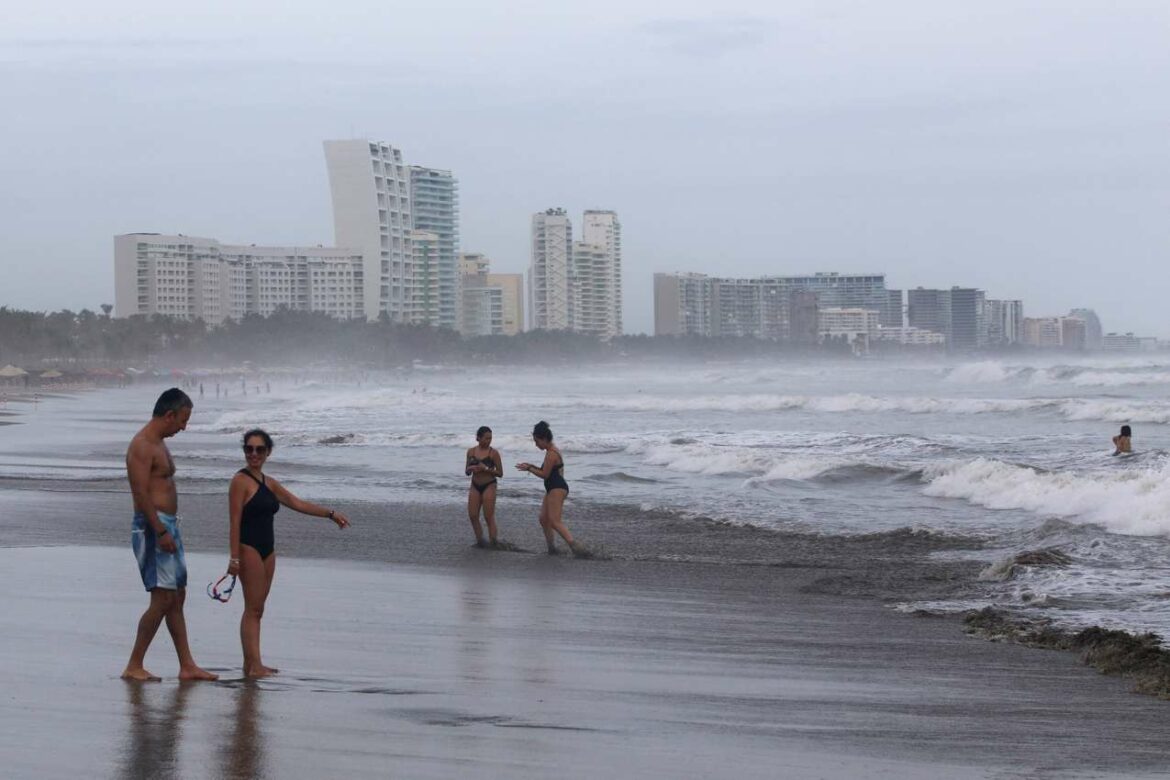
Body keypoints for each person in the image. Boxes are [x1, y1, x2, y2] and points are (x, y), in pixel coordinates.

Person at [227, 428, 351, 677]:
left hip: (268, 550)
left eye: (259, 449)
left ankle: (252, 663)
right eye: (249, 449)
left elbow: (298, 504)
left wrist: (329, 514)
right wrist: (234, 557)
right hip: (248, 547)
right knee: (252, 608)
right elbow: (234, 521)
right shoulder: (239, 481)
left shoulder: (269, 483)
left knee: (259, 608)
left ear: (268, 452)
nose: (253, 454)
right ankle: (254, 665)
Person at [122, 388, 217, 682]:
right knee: (162, 598)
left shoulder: (160, 443)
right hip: (152, 527)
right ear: (169, 415)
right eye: (183, 420)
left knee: (177, 596)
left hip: (168, 524)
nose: (184, 427)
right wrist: (160, 529)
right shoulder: (142, 445)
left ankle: (187, 665)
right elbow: (140, 492)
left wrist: (168, 527)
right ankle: (134, 665)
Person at [516, 420, 580, 555]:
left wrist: (529, 468)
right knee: (543, 519)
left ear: (544, 438)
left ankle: (576, 548)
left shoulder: (552, 453)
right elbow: (547, 471)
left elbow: (544, 474)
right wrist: (530, 466)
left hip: (557, 488)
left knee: (555, 521)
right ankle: (552, 548)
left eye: (537, 441)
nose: (536, 444)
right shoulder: (550, 450)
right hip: (552, 488)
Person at [465, 426, 503, 547]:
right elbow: (466, 471)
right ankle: (480, 541)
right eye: (486, 438)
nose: (489, 441)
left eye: (490, 438)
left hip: (489, 485)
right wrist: (470, 469)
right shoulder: (471, 452)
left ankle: (493, 543)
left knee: (488, 516)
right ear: (479, 438)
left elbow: (500, 473)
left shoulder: (494, 453)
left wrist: (485, 468)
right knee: (473, 515)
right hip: (475, 485)